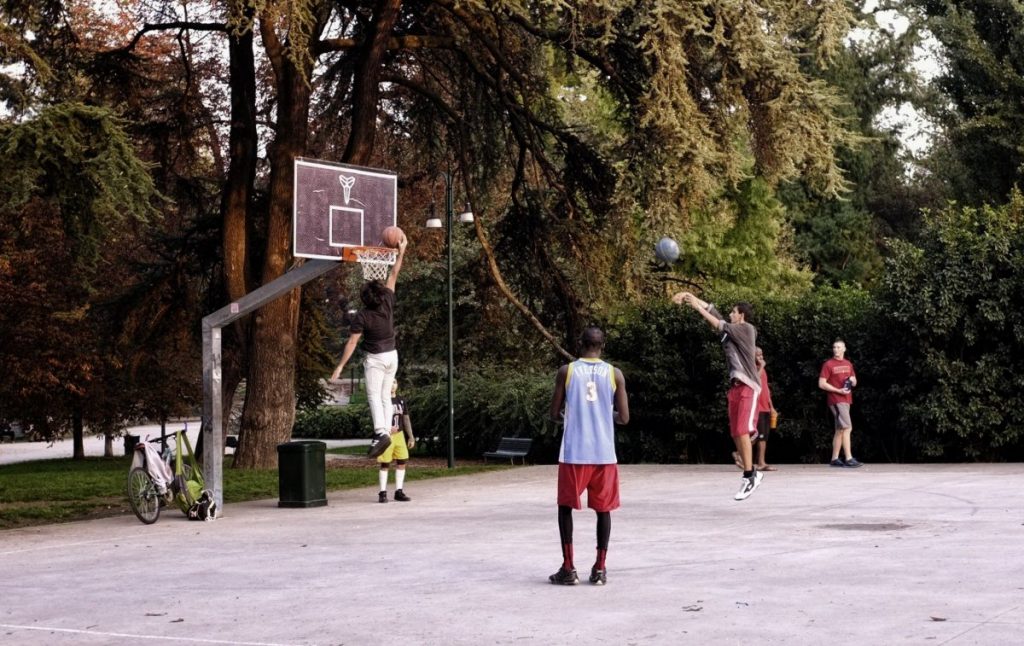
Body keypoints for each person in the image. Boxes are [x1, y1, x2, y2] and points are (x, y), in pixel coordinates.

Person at [547, 327, 629, 586]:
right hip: (604, 453)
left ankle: (569, 568)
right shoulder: (614, 373)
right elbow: (624, 418)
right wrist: (606, 416)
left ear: (580, 344)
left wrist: (572, 418)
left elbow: (554, 413)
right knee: (603, 510)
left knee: (565, 508)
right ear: (602, 346)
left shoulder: (567, 371)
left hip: (574, 452)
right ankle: (600, 569)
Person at [672, 291, 764, 500]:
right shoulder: (732, 331)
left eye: (733, 312)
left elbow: (716, 322)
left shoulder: (747, 329)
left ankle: (751, 476)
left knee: (741, 431)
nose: (730, 314)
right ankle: (750, 466)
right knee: (735, 432)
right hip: (735, 386)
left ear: (741, 316)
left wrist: (696, 306)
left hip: (748, 386)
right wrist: (690, 297)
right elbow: (714, 312)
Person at [330, 235, 408, 458]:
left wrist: (340, 366)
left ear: (364, 300)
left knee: (374, 396)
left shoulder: (362, 317)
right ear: (380, 295)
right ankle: (384, 432)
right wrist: (401, 251)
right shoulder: (388, 302)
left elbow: (352, 342)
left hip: (375, 359)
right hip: (392, 356)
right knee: (384, 396)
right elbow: (394, 272)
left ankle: (380, 432)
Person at [819, 339, 862, 467]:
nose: (836, 349)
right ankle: (849, 458)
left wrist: (853, 380)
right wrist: (838, 390)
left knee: (840, 429)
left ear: (844, 349)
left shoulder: (848, 364)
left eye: (838, 347)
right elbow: (821, 384)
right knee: (847, 427)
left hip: (846, 399)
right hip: (837, 400)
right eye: (834, 347)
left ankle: (835, 459)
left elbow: (854, 380)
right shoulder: (828, 364)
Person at [376, 380, 415, 503]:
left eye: (395, 382)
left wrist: (411, 436)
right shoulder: (382, 400)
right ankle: (382, 493)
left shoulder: (401, 400)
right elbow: (378, 418)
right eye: (390, 382)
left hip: (399, 435)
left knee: (402, 461)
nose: (392, 385)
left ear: (397, 385)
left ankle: (399, 491)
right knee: (385, 463)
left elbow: (406, 419)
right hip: (387, 435)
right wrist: (386, 428)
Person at [753, 347, 778, 471]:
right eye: (758, 355)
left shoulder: (763, 371)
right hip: (756, 407)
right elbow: (754, 381)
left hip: (765, 407)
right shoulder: (751, 368)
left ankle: (761, 462)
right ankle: (740, 454)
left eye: (761, 354)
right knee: (759, 435)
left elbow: (766, 390)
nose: (761, 357)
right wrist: (761, 366)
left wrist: (772, 407)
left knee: (764, 436)